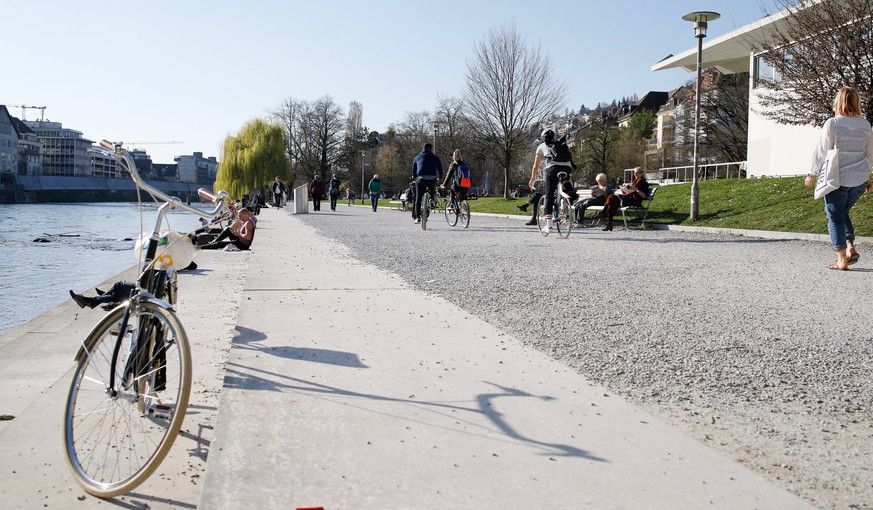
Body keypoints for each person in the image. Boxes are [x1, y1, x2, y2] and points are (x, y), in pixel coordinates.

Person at [805, 86, 873, 270]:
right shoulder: (866, 125)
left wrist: (812, 173)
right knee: (842, 213)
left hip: (837, 179)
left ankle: (841, 259)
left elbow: (821, 150)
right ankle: (851, 247)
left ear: (839, 102)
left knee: (834, 217)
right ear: (856, 102)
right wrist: (867, 177)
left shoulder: (833, 123)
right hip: (859, 179)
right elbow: (870, 154)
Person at [528, 129, 575, 233]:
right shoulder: (560, 143)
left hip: (553, 169)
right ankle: (564, 203)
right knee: (562, 188)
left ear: (542, 138)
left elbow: (536, 166)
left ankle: (549, 225)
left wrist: (532, 179)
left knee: (548, 195)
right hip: (567, 168)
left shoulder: (541, 146)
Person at [600, 166, 650, 231]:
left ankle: (604, 216)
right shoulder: (635, 181)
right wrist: (624, 188)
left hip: (635, 201)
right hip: (628, 198)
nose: (635, 175)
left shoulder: (644, 183)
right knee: (611, 198)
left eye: (637, 173)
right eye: (634, 173)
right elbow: (629, 191)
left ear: (642, 174)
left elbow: (644, 196)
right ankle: (609, 223)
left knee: (612, 201)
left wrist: (637, 189)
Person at [411, 143, 443, 224]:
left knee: (418, 198)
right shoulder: (435, 157)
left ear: (423, 148)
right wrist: (440, 177)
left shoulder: (417, 157)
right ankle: (431, 199)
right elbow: (439, 167)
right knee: (431, 189)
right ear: (431, 149)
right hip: (432, 177)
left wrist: (414, 177)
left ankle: (417, 218)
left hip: (421, 178)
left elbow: (414, 169)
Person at [69, 281, 137, 310]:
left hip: (139, 291)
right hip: (139, 291)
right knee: (119, 291)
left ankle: (89, 301)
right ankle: (95, 299)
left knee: (119, 286)